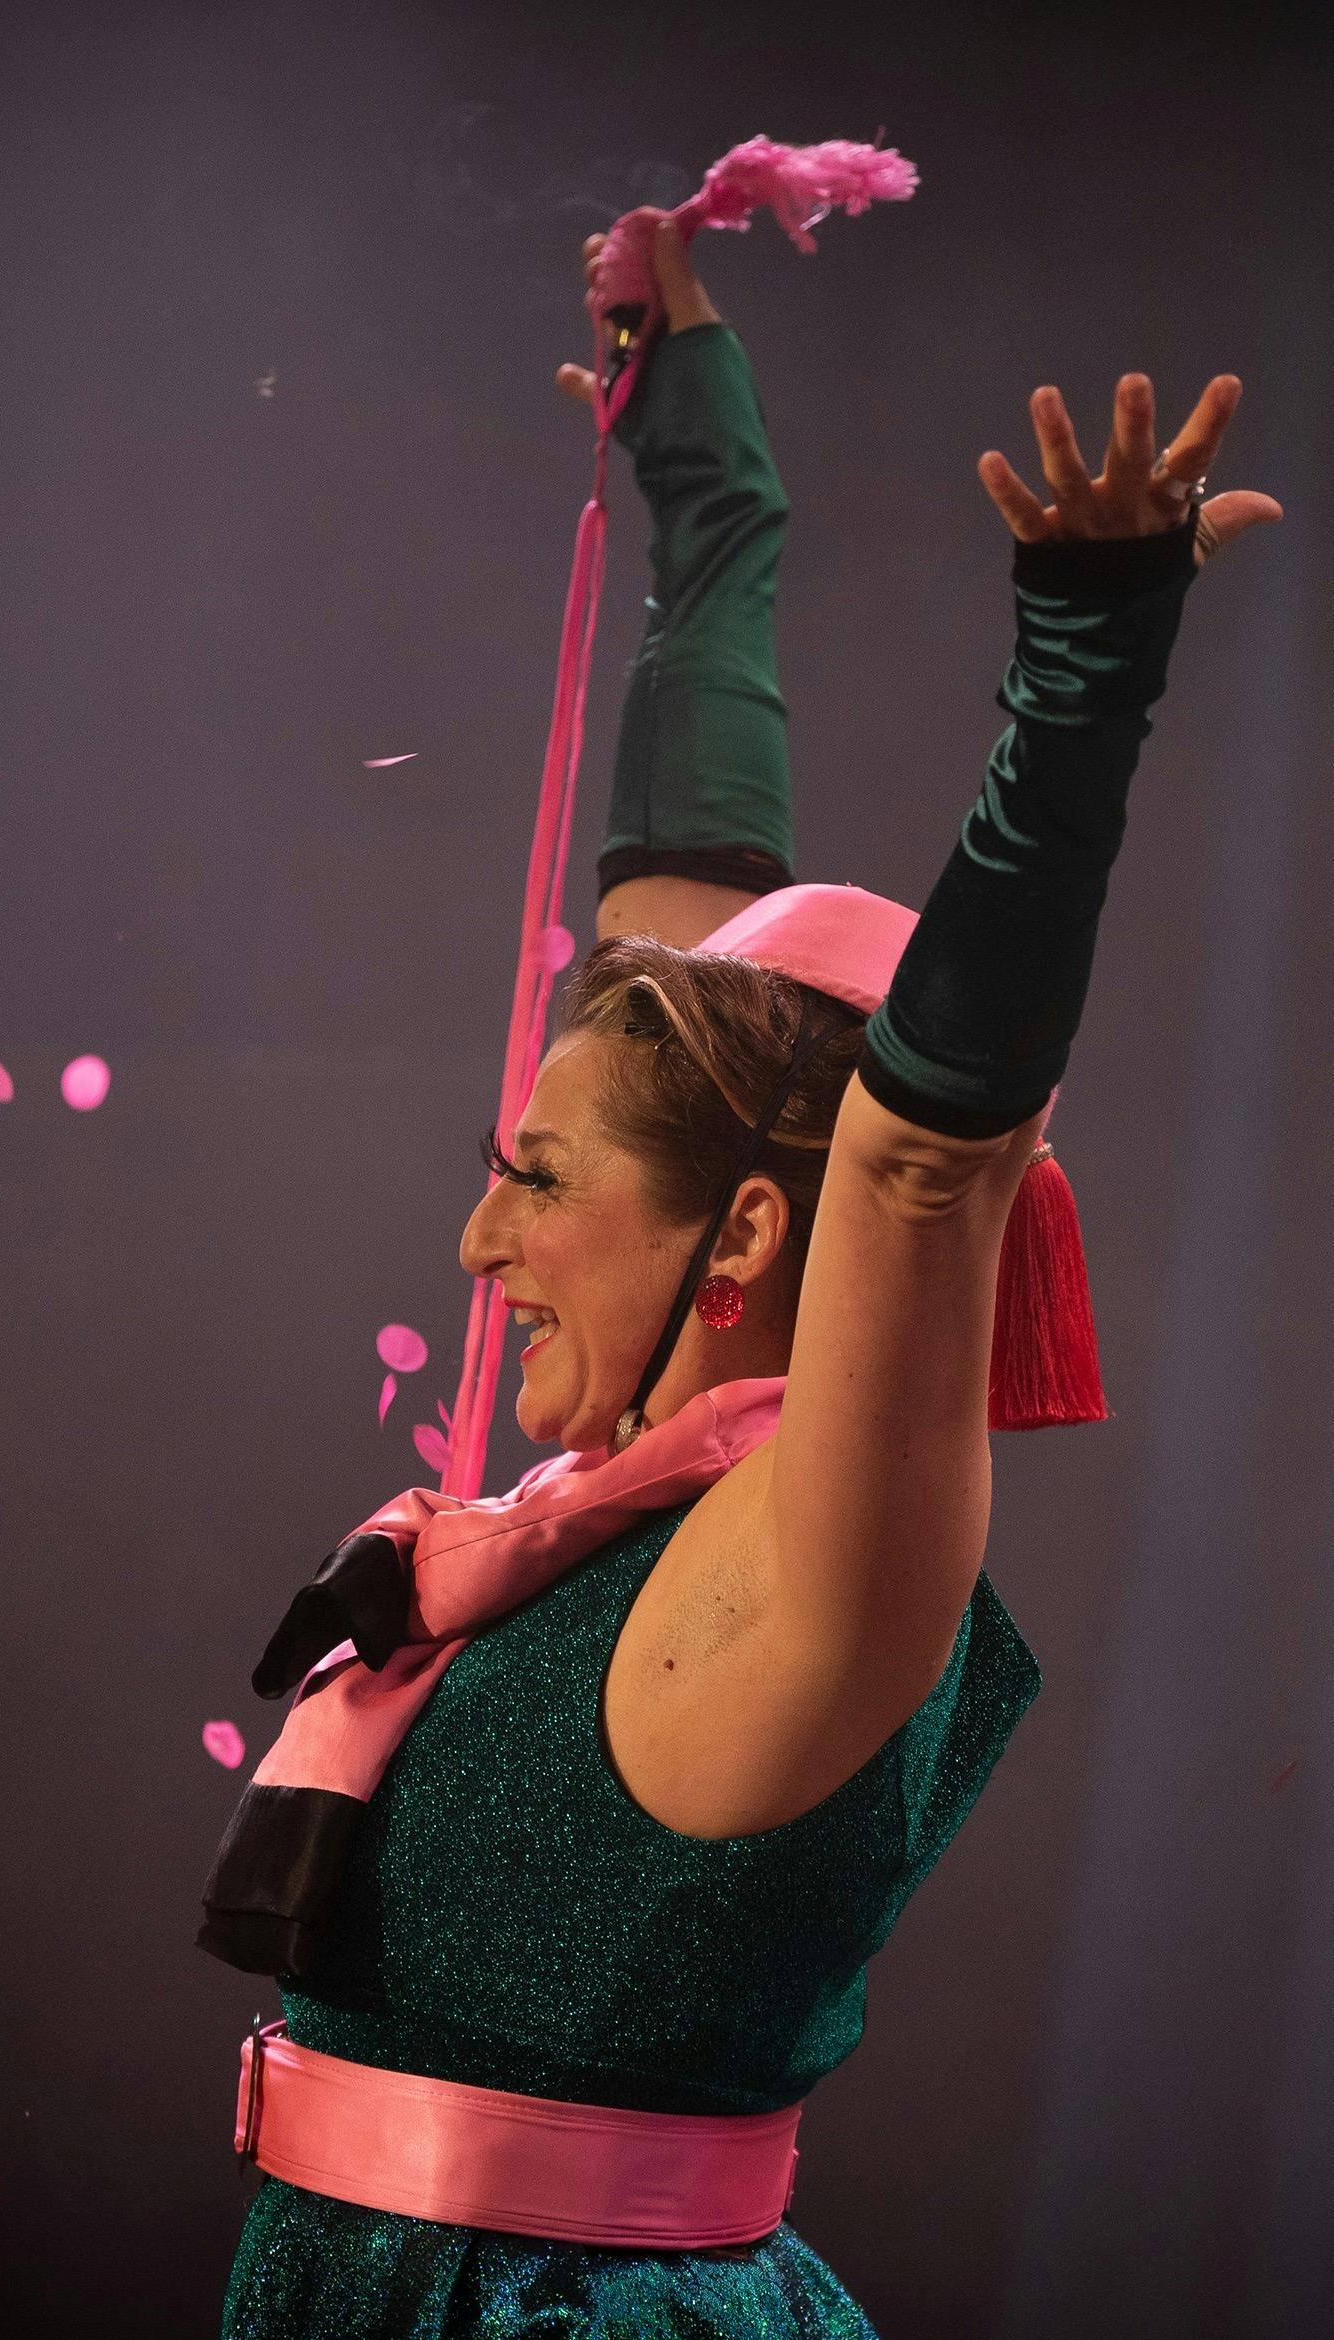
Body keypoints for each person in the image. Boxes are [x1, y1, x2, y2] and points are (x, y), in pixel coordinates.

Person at [202, 220, 1279, 2336]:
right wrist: (701, 454)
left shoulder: (823, 1559)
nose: (475, 1242)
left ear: (752, 1240)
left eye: (532, 1179)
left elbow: (911, 1151)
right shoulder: (578, 1521)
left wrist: (1081, 676)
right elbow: (687, 864)